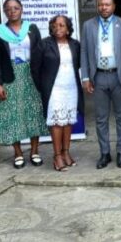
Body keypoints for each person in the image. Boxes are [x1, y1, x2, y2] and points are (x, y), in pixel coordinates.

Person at [0, 0, 46, 169]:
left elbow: (40, 52)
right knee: (12, 114)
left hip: (31, 75)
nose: (12, 11)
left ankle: (34, 151)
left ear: (22, 9)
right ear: (4, 11)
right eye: (8, 8)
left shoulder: (32, 28)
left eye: (16, 8)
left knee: (34, 112)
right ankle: (18, 153)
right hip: (9, 76)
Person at [80, 0, 121, 169]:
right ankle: (104, 153)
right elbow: (84, 51)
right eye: (101, 4)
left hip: (119, 76)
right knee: (101, 118)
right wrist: (85, 77)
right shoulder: (88, 25)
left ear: (114, 6)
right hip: (98, 76)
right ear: (97, 6)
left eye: (107, 4)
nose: (104, 7)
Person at [31, 15, 83, 172]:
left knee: (67, 121)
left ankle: (66, 152)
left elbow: (78, 65)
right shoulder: (44, 44)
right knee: (56, 122)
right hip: (54, 89)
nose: (58, 28)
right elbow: (35, 69)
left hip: (71, 87)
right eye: (54, 26)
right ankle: (57, 156)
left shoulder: (75, 44)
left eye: (61, 25)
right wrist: (43, 87)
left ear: (68, 29)